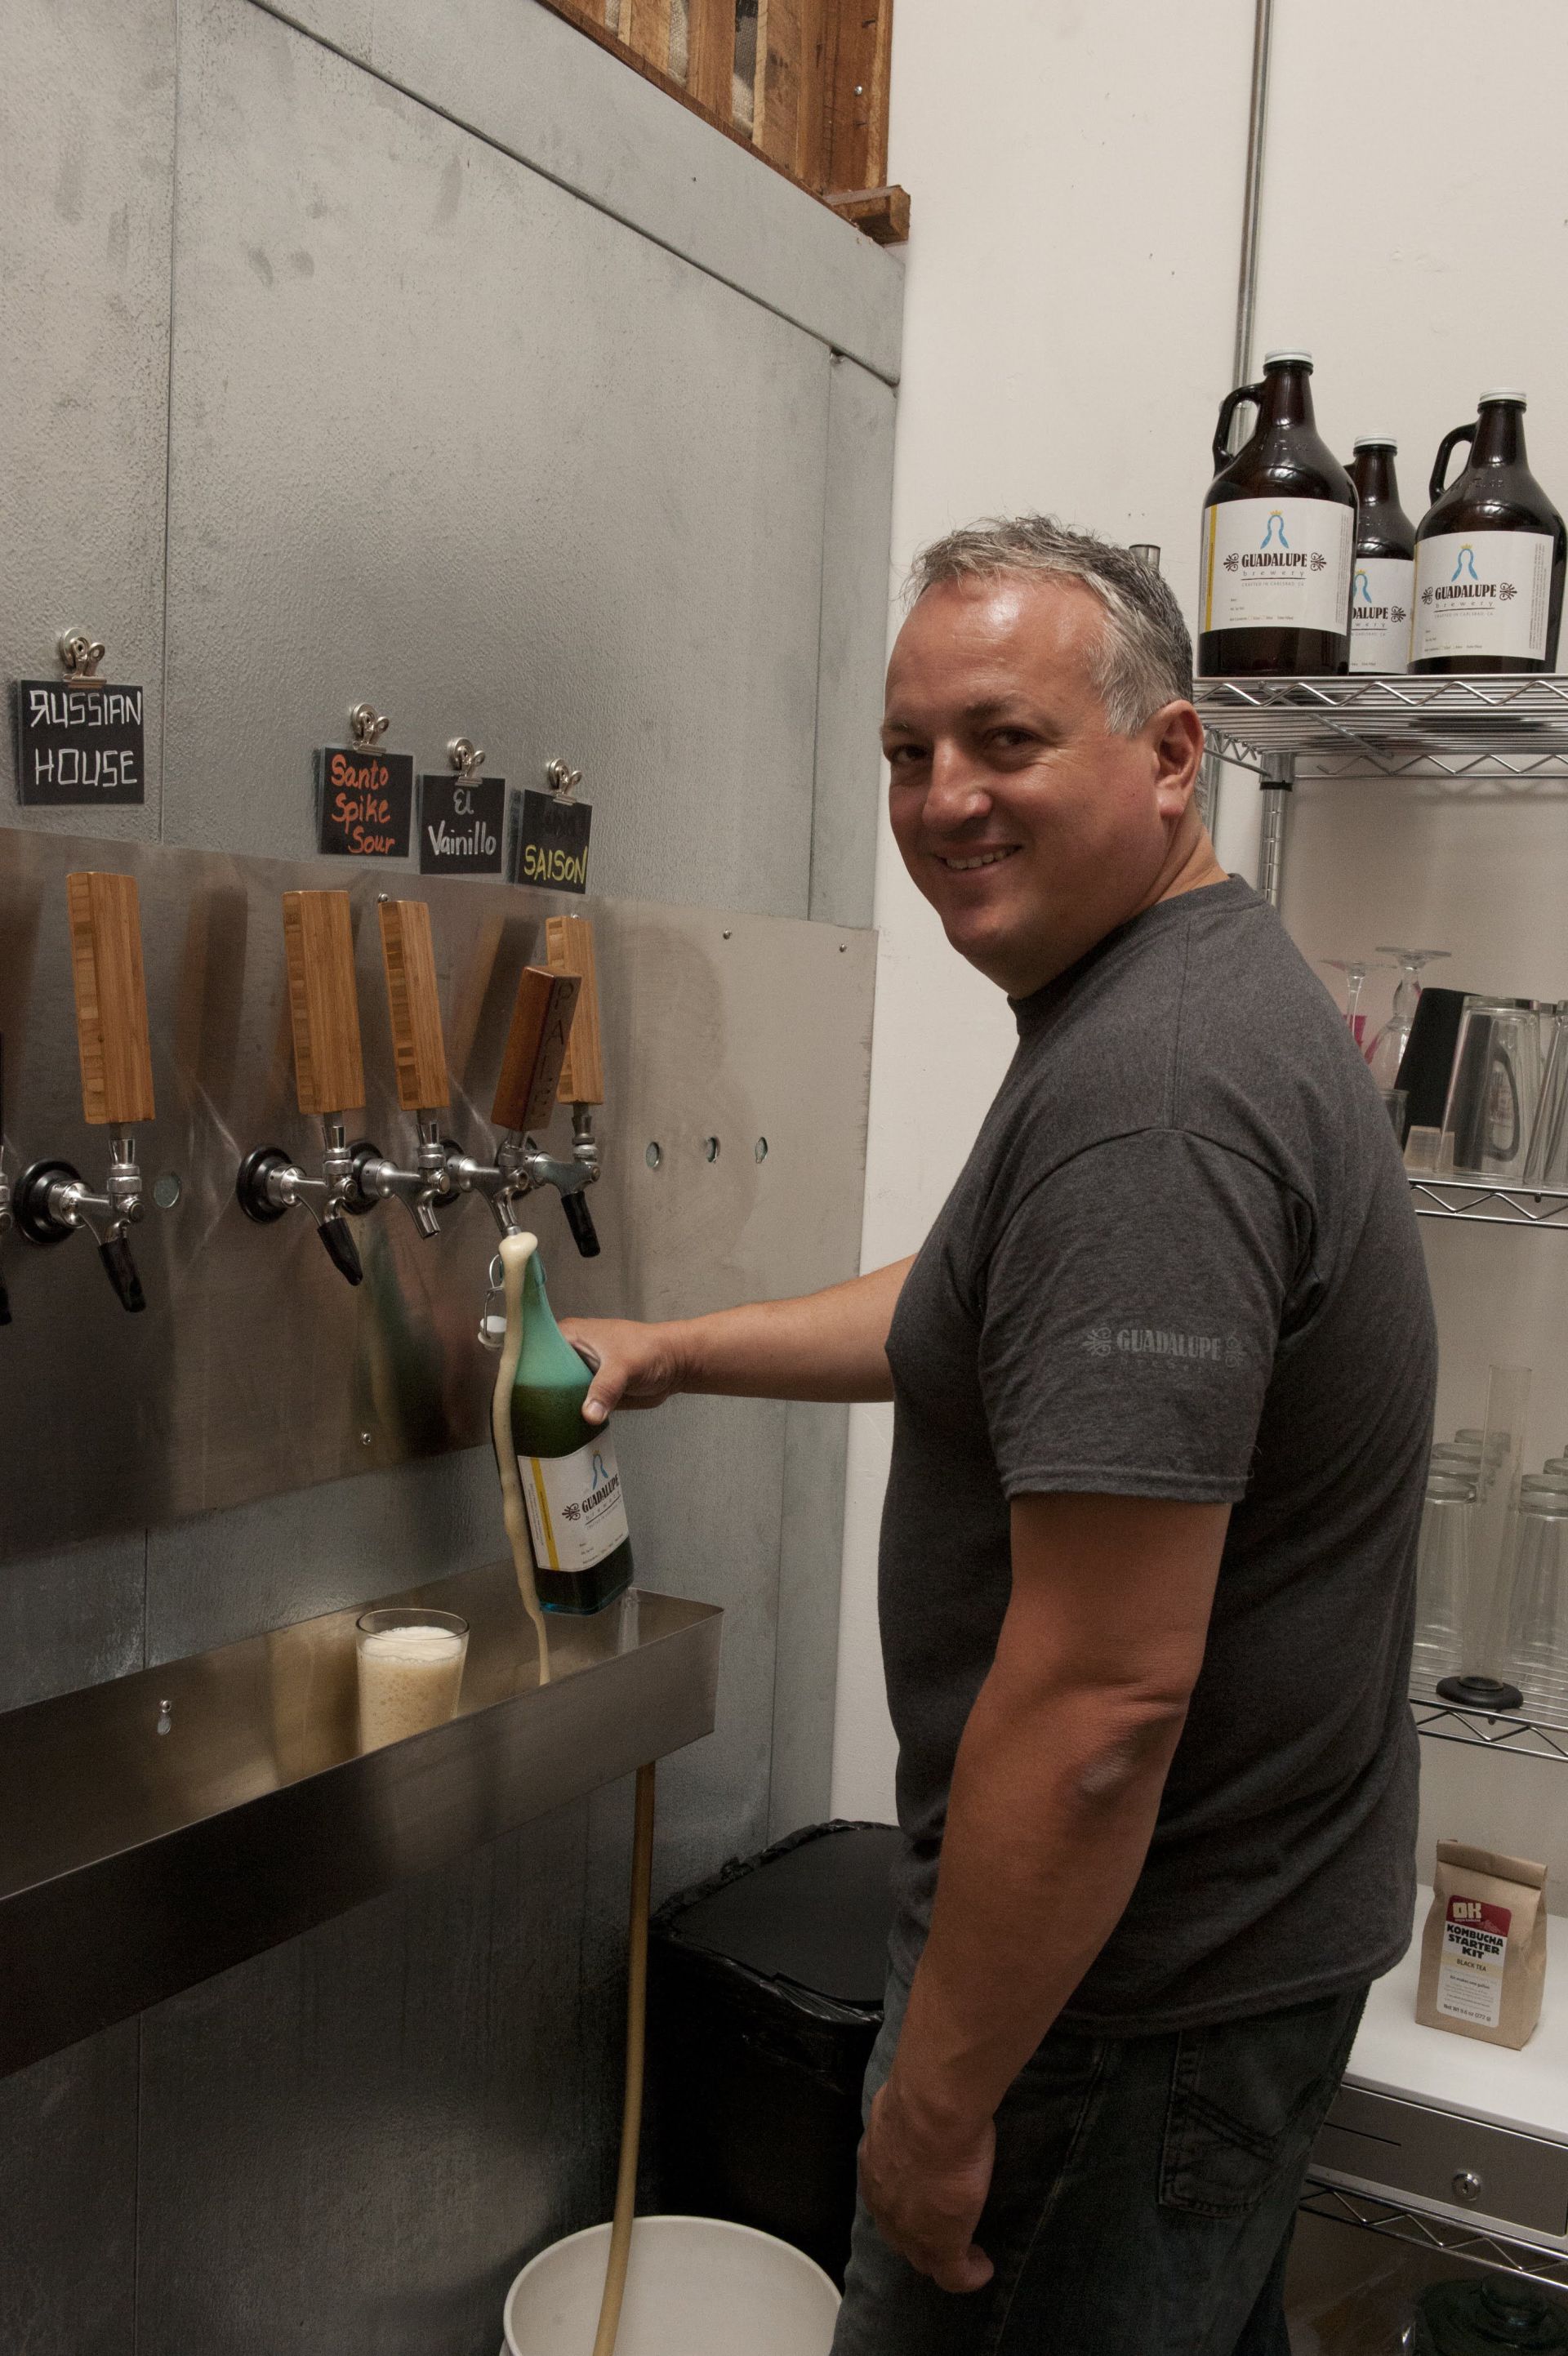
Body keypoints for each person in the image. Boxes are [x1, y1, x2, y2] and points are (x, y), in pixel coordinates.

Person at [568, 515, 1436, 2354]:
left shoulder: (1154, 1105)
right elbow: (979, 1312)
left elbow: (1107, 1706)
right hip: (1221, 1966)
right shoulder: (1175, 1000)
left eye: (1006, 741)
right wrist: (675, 1349)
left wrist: (941, 2102)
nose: (945, 799)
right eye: (909, 752)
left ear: (1173, 753)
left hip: (1116, 2010)